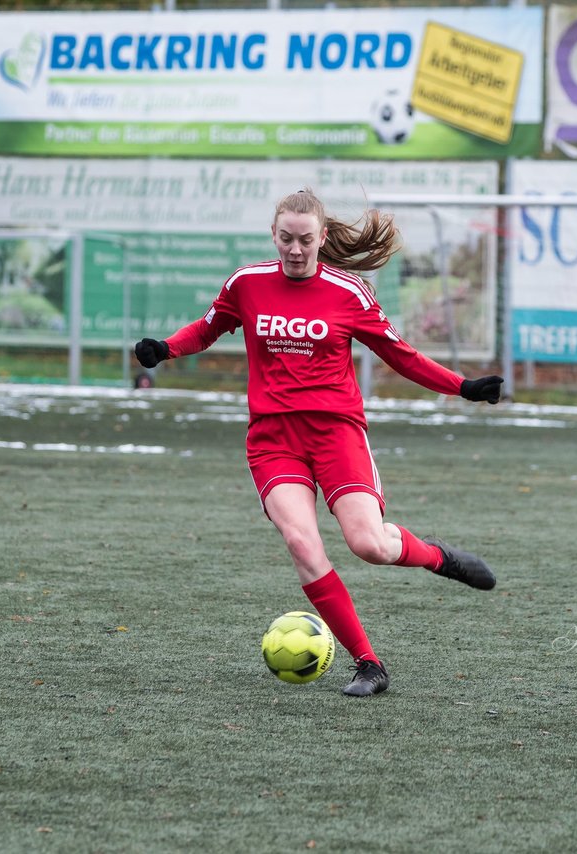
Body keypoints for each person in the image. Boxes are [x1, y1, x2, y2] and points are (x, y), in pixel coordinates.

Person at [134, 188, 503, 697]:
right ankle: (369, 664)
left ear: (322, 237)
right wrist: (165, 348)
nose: (295, 249)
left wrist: (462, 386)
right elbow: (209, 327)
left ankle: (437, 557)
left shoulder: (349, 293)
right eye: (285, 238)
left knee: (369, 545)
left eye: (305, 239)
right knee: (302, 543)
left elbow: (402, 355)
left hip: (336, 434)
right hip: (273, 439)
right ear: (274, 235)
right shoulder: (247, 283)